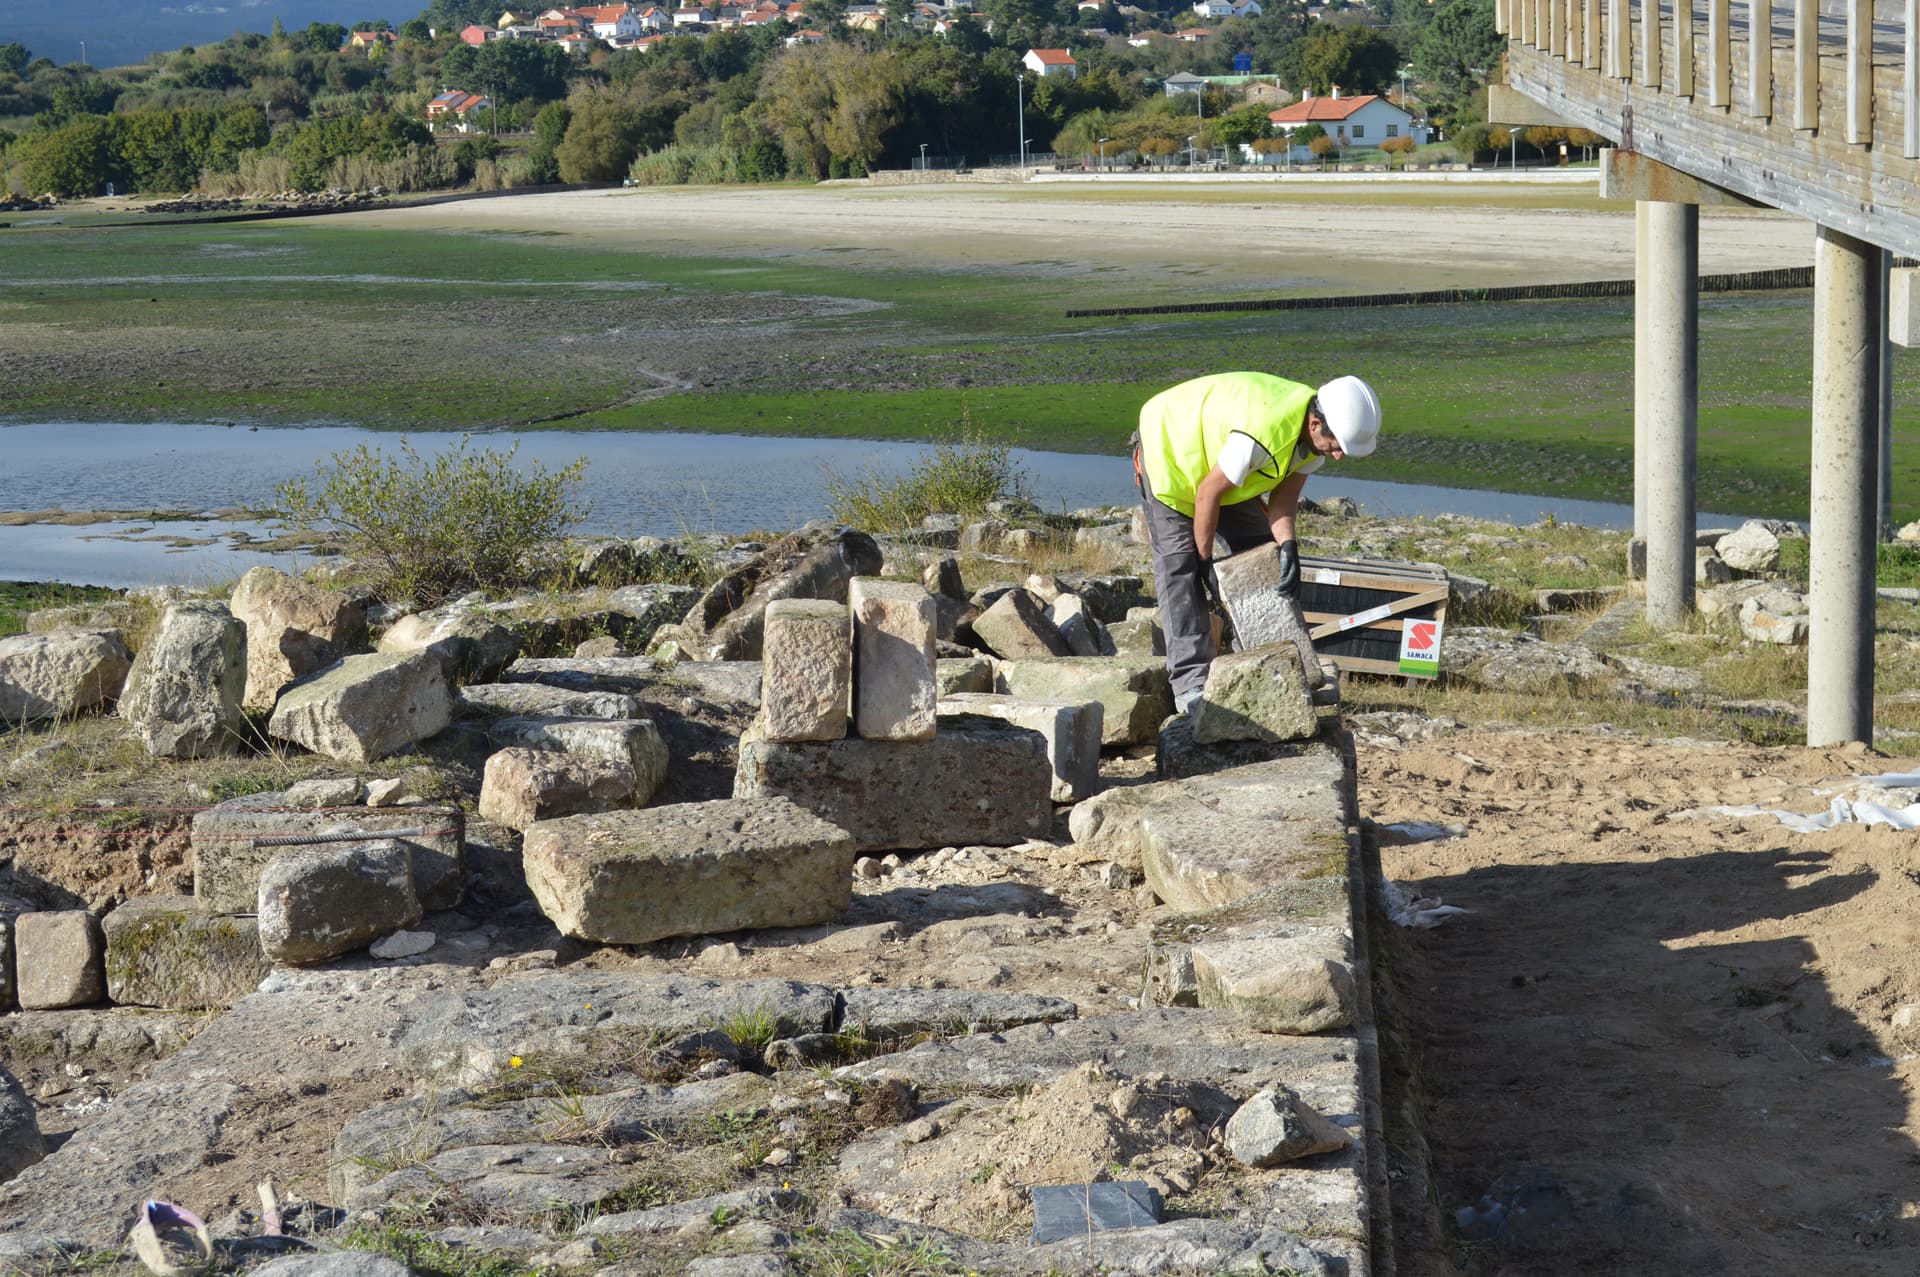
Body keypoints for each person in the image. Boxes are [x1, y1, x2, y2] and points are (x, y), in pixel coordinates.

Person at [1133, 371, 1381, 713]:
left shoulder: (1315, 440)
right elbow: (1207, 494)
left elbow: (1282, 503)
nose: (1338, 455)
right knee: (1182, 569)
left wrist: (1288, 546)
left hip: (1219, 465)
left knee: (1263, 555)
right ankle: (1191, 686)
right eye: (1336, 444)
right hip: (1171, 452)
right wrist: (1204, 560)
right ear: (1314, 424)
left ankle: (1272, 664)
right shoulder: (1263, 432)